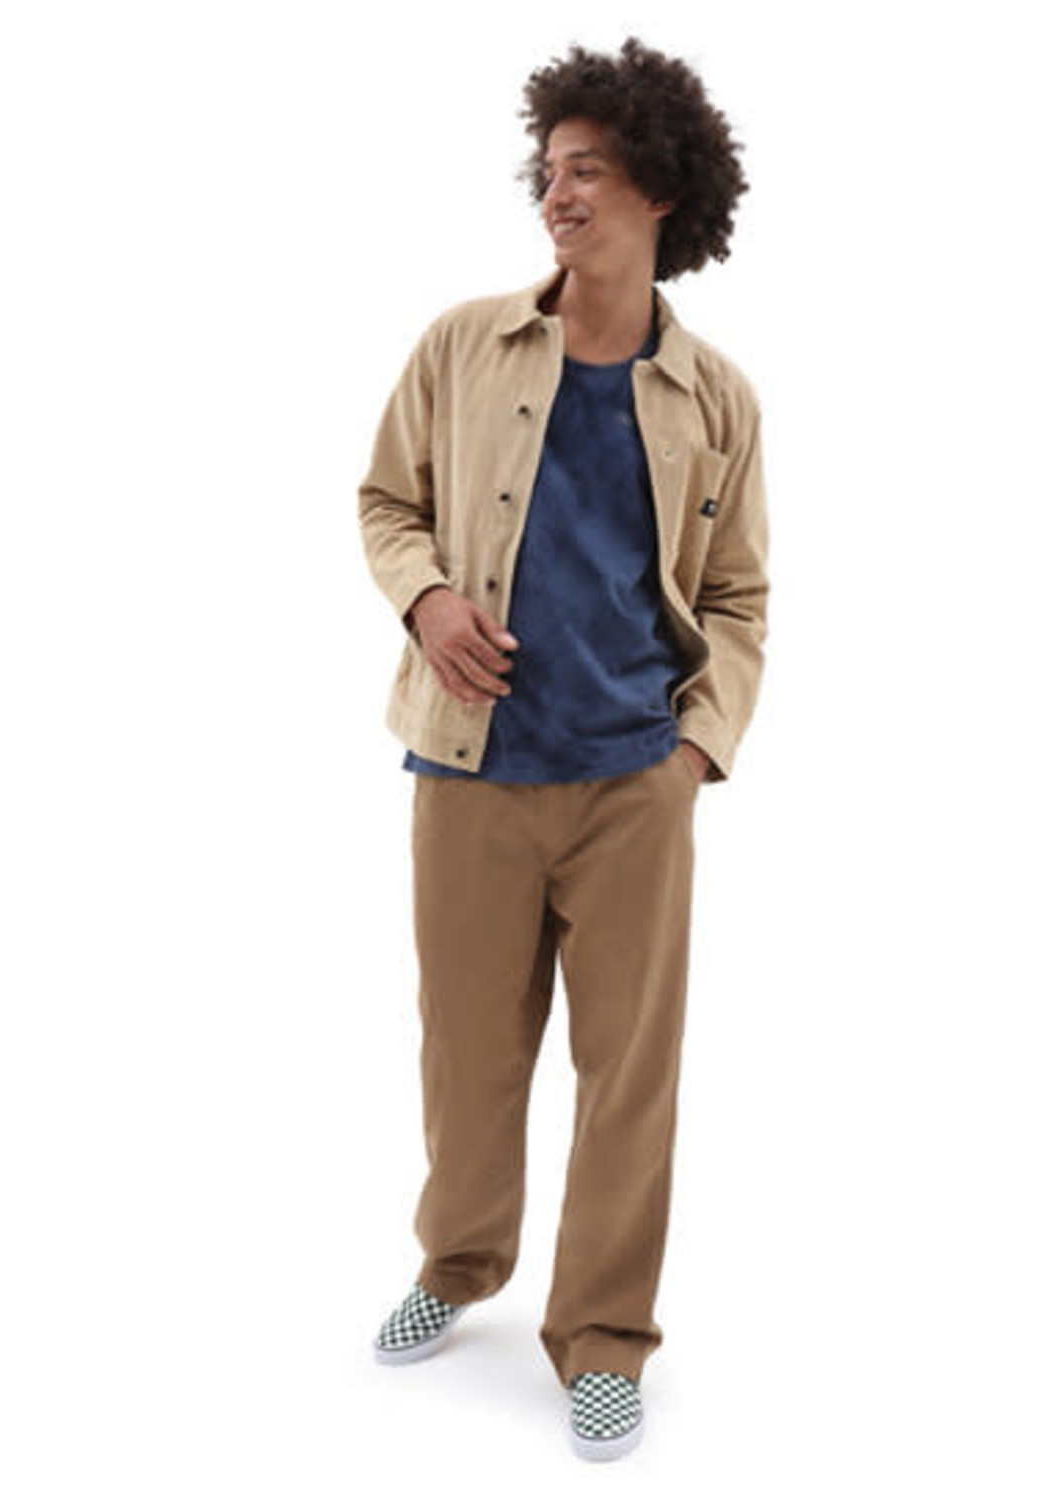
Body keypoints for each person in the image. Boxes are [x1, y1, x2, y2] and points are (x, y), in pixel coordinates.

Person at [358, 36, 769, 1461]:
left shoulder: (718, 397)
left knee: (627, 1079)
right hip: (471, 772)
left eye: (587, 169)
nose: (559, 195)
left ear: (661, 187)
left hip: (634, 785)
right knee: (467, 1056)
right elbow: (385, 502)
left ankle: (602, 1338)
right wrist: (426, 598)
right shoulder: (461, 346)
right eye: (548, 171)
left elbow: (740, 599)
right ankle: (459, 1261)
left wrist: (695, 753)